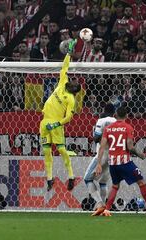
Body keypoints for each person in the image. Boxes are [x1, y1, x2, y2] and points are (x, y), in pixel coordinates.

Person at [93, 106, 146, 217]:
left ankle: (107, 210)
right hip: (125, 163)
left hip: (113, 164)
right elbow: (130, 146)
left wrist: (98, 164)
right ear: (126, 116)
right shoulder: (128, 127)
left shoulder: (108, 129)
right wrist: (140, 154)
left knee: (115, 186)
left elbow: (101, 147)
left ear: (115, 116)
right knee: (141, 182)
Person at [40, 41, 81, 191]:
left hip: (56, 124)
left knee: (61, 150)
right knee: (46, 151)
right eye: (74, 81)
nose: (73, 82)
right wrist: (69, 54)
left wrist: (57, 124)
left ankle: (71, 177)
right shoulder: (63, 82)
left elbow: (69, 118)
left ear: (75, 90)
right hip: (44, 122)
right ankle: (49, 179)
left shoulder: (71, 99)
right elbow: (65, 67)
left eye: (75, 84)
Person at [83, 103, 116, 214]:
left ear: (104, 110)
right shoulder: (117, 122)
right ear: (114, 112)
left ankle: (100, 204)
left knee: (87, 179)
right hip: (113, 156)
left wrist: (104, 135)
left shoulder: (101, 121)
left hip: (102, 154)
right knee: (103, 182)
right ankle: (103, 208)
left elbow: (96, 138)